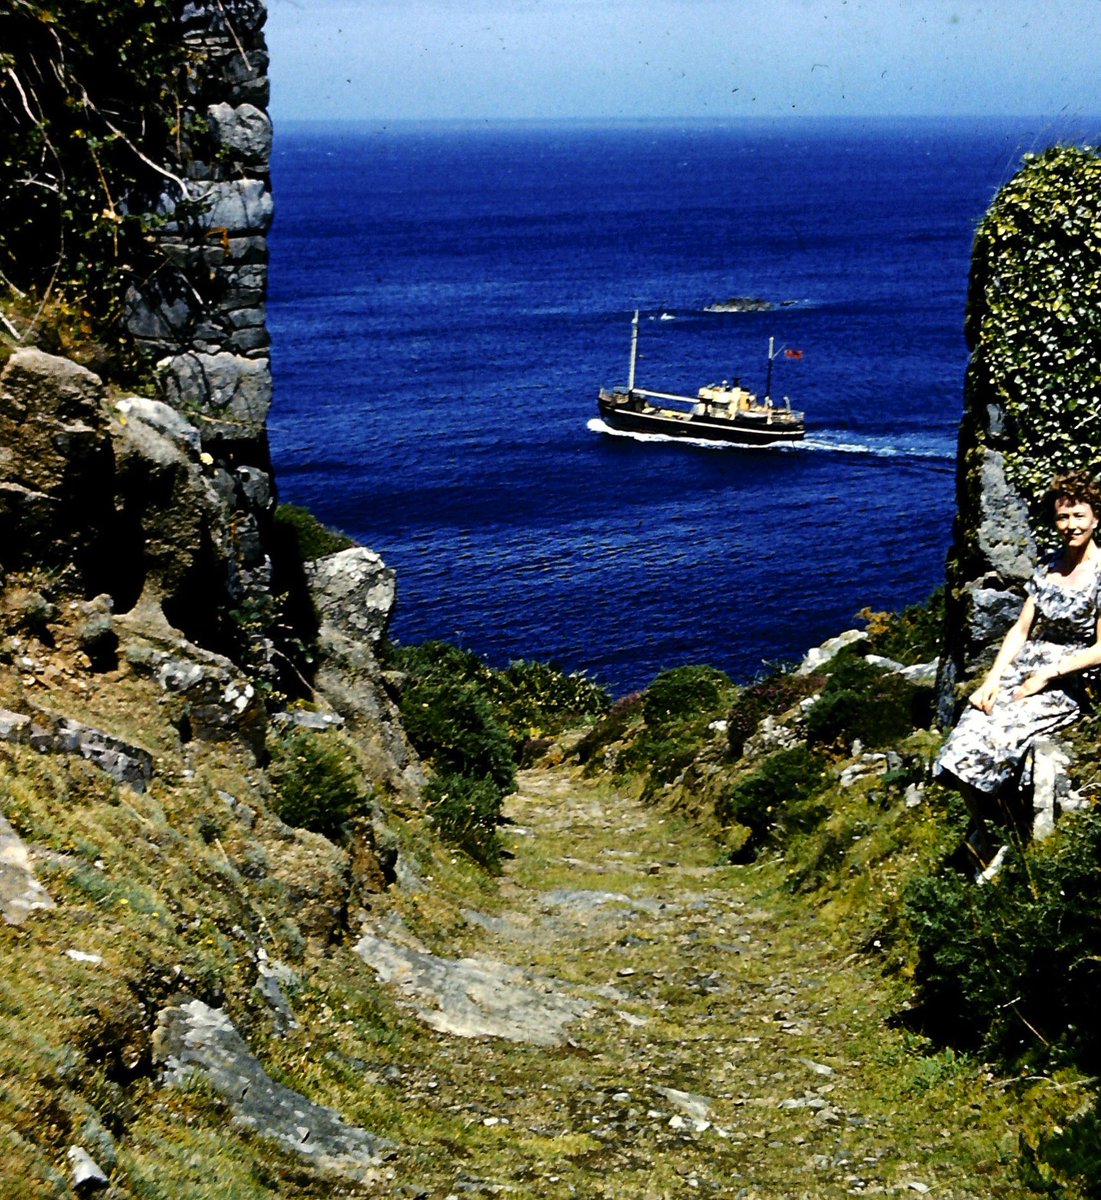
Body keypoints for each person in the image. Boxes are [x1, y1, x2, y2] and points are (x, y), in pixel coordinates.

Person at [935, 471, 1101, 860]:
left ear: (1096, 518)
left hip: (1066, 678)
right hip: (1025, 668)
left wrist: (1047, 674)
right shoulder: (1047, 567)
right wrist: (991, 680)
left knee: (999, 734)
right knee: (969, 726)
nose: (1070, 525)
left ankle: (1007, 831)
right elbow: (1021, 629)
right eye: (1063, 517)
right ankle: (985, 833)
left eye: (1079, 515)